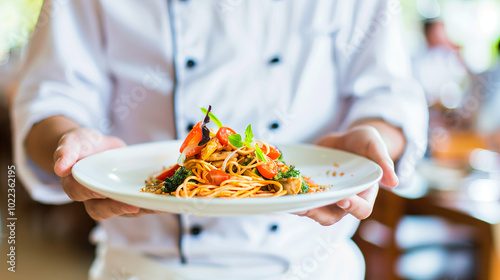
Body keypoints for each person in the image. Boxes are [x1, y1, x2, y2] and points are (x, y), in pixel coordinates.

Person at [12, 0, 428, 279]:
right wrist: (70, 143)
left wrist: (370, 144)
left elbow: (389, 95)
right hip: (146, 268)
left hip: (309, 265)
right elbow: (52, 96)